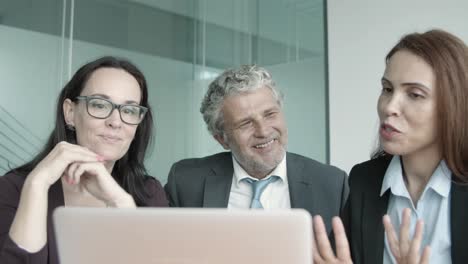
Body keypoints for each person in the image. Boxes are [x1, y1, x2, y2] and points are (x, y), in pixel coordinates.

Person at [313, 29, 468, 264]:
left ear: (454, 105)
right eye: (387, 89)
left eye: (415, 94)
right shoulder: (364, 180)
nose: (389, 107)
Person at [0, 56, 168, 264]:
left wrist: (122, 204)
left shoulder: (150, 194)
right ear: (70, 112)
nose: (115, 122)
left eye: (129, 110)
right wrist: (36, 186)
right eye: (99, 105)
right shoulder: (14, 188)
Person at [165, 64, 349, 234]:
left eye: (270, 114)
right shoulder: (186, 182)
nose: (263, 131)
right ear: (222, 139)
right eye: (245, 124)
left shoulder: (331, 184)